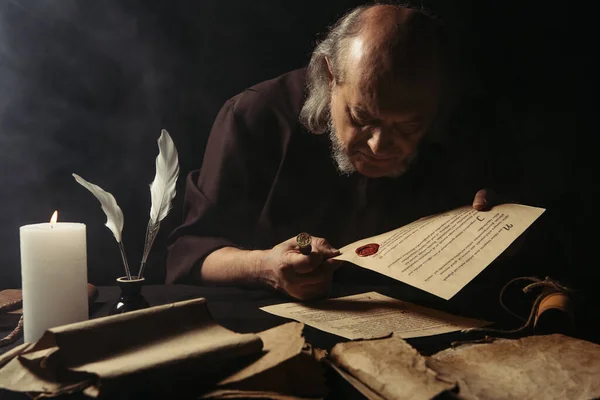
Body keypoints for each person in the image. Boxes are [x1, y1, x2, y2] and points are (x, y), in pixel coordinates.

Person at [166, 4, 507, 301]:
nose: (378, 146)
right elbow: (190, 254)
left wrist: (494, 219)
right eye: (361, 117)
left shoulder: (458, 126)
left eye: (406, 128)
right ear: (330, 76)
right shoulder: (256, 116)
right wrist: (264, 266)